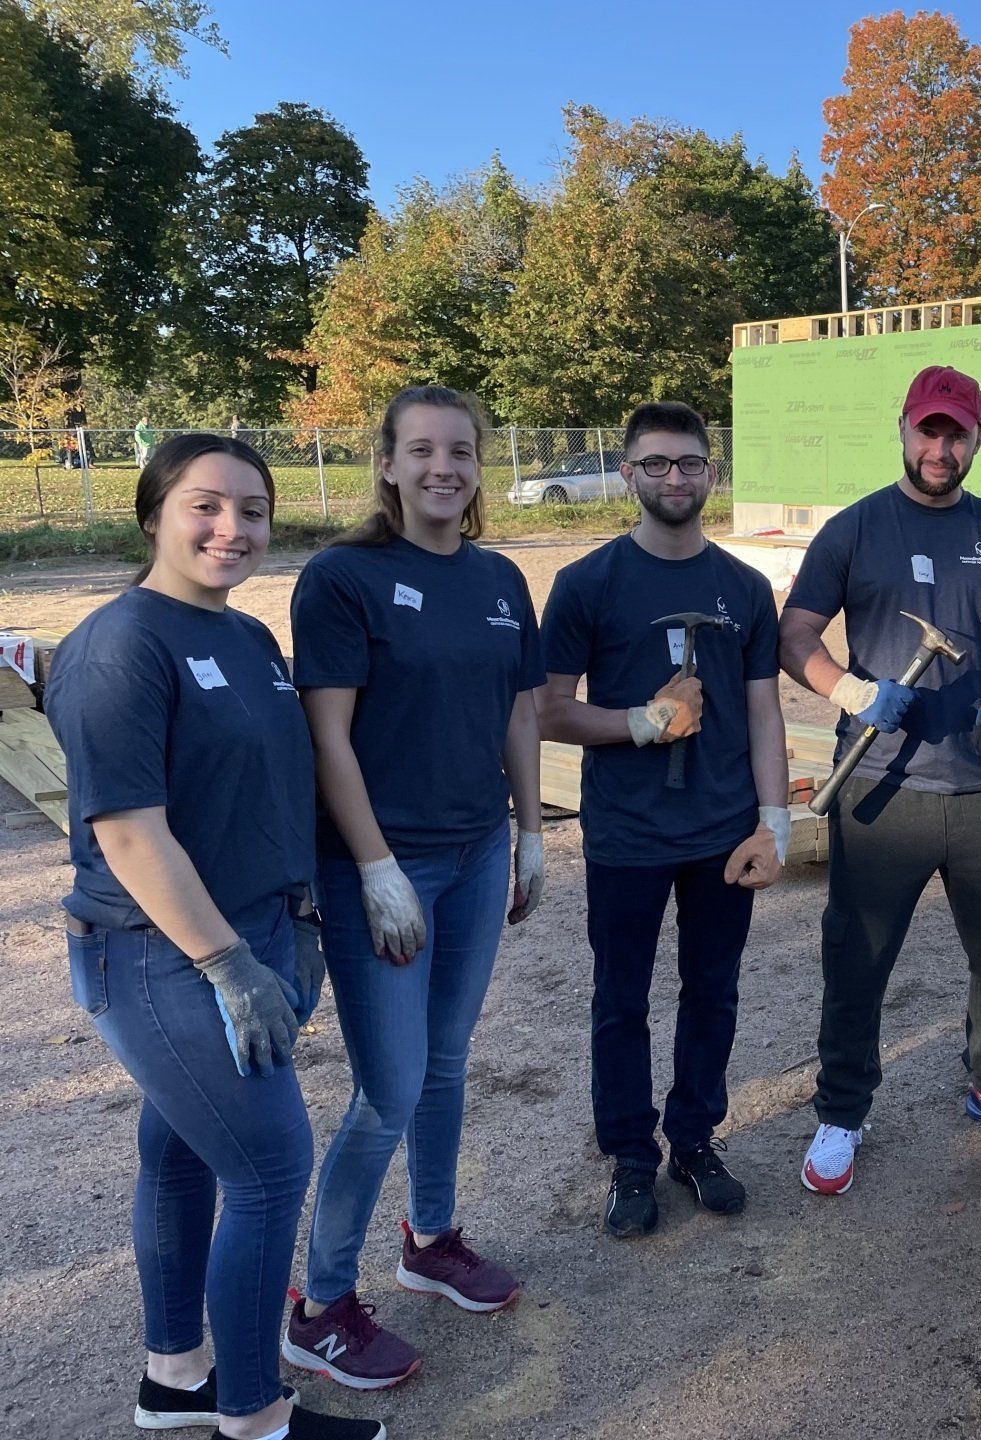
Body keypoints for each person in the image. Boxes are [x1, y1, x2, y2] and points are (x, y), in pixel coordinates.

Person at [46, 434, 385, 1440]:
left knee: (184, 1154)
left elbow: (268, 788)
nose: (232, 528)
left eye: (253, 510)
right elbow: (128, 832)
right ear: (153, 514)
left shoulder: (248, 638)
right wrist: (228, 964)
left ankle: (175, 1378)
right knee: (271, 1169)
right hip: (164, 955)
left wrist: (299, 914)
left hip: (254, 931)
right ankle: (253, 1416)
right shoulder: (119, 645)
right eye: (205, 505)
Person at [283, 386, 545, 1390]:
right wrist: (374, 866)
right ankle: (320, 1305)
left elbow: (519, 714)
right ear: (387, 464)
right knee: (387, 1090)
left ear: (479, 466)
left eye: (461, 451)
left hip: (475, 853)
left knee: (445, 1061)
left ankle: (430, 1239)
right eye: (423, 450)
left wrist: (530, 833)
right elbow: (327, 735)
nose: (444, 467)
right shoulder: (342, 578)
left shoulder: (499, 579)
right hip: (382, 868)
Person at [778, 365, 981, 1194]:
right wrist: (849, 691)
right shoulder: (854, 529)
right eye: (929, 430)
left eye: (957, 433)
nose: (941, 448)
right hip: (882, 788)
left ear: (978, 439)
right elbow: (796, 633)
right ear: (905, 430)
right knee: (858, 958)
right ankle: (843, 1110)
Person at [539, 402, 787, 1238]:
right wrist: (641, 724)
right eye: (655, 463)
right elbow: (548, 711)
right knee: (621, 999)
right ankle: (630, 1159)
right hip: (626, 835)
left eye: (688, 463)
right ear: (627, 473)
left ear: (712, 473)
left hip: (723, 833)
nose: (673, 477)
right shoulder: (588, 584)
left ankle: (694, 1141)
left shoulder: (744, 589)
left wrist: (774, 822)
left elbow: (764, 712)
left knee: (713, 992)